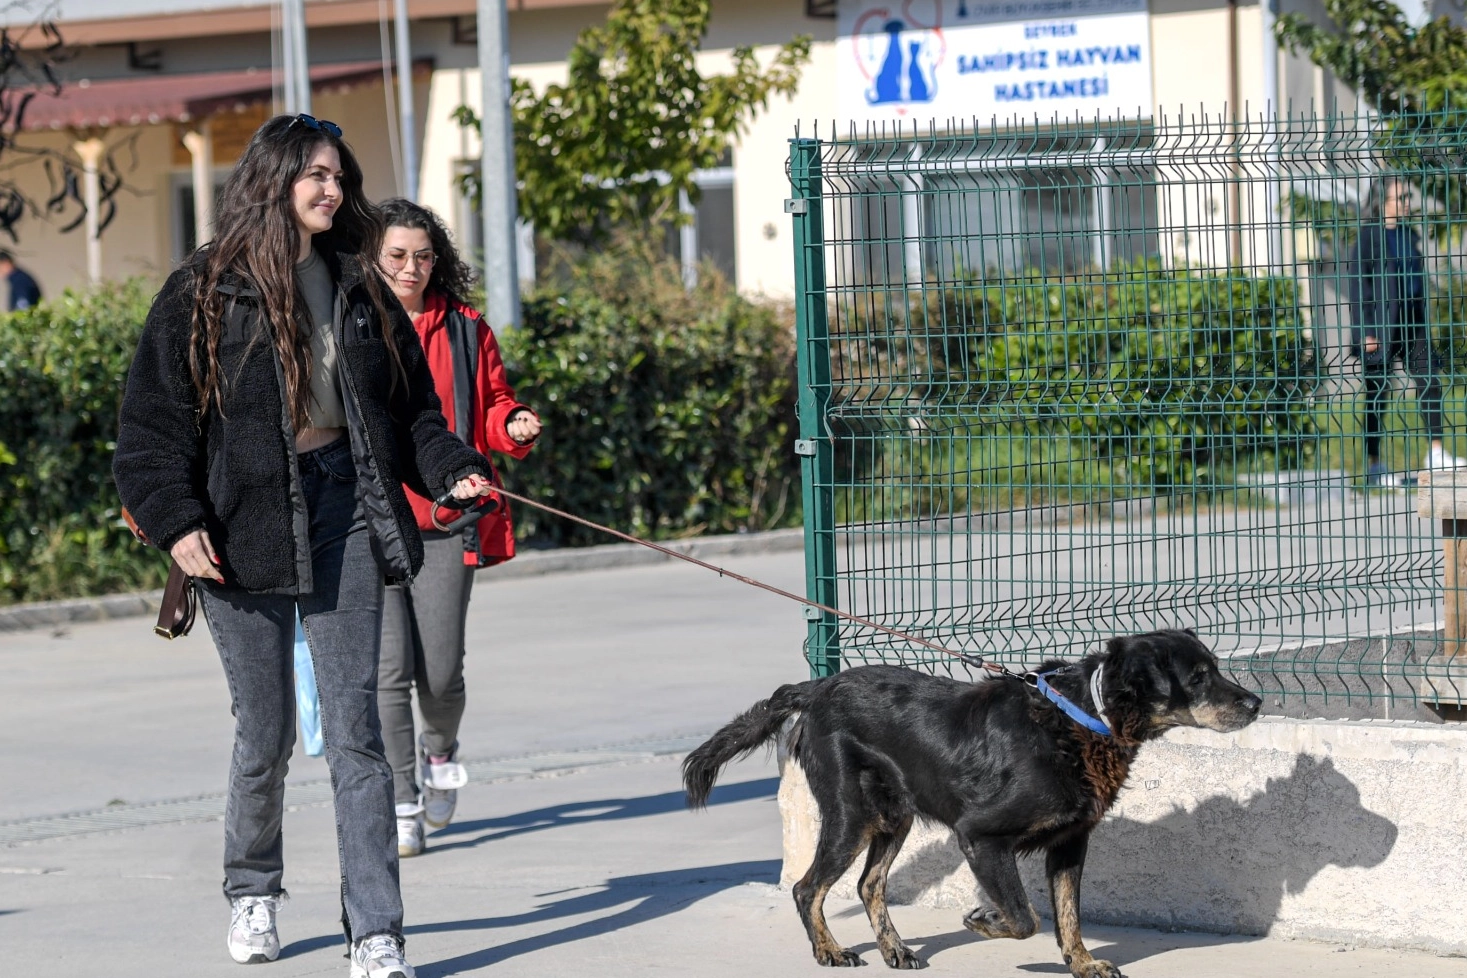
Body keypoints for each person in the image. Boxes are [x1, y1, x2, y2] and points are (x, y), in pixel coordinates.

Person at [113, 114, 497, 978]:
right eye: (313, 174)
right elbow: (148, 435)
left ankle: (378, 934)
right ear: (271, 180)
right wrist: (177, 525)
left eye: (337, 173)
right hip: (236, 530)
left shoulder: (358, 283)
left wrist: (451, 471)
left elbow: (412, 414)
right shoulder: (201, 291)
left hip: (342, 510)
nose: (330, 189)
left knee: (357, 730)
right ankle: (254, 890)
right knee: (266, 733)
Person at [374, 197, 542, 857]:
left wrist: (514, 425)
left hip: (447, 522)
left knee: (439, 674)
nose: (410, 268)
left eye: (421, 256)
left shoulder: (467, 328)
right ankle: (401, 799)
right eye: (396, 256)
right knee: (387, 673)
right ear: (373, 258)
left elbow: (493, 403)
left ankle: (439, 751)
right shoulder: (353, 323)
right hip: (371, 522)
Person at [1347, 175, 1466, 486]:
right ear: (1382, 201)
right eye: (1400, 198)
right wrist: (1365, 333)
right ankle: (1374, 464)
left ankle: (1436, 452)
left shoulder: (1408, 233)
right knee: (1377, 393)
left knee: (1429, 380)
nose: (1406, 204)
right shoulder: (1369, 237)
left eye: (1407, 198)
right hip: (1381, 326)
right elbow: (1359, 287)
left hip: (1412, 321)